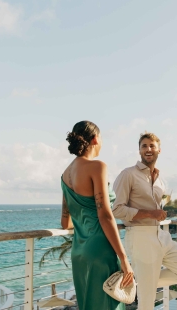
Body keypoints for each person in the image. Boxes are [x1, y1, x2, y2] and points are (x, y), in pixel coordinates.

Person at [112, 132, 177, 310]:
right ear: (139, 151)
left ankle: (140, 279)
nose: (148, 149)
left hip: (161, 235)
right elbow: (117, 209)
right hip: (140, 237)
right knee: (147, 302)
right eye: (144, 146)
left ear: (159, 150)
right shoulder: (128, 174)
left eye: (152, 146)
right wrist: (150, 214)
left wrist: (158, 214)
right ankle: (143, 281)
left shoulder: (161, 180)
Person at [61, 120, 134, 310]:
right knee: (110, 304)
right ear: (95, 139)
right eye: (101, 138)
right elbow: (105, 216)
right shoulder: (97, 167)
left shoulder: (65, 174)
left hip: (79, 252)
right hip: (101, 249)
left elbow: (65, 222)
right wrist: (124, 259)